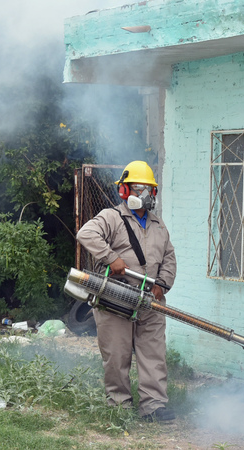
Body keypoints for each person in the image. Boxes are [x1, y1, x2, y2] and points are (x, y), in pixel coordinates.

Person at [76, 160, 177, 422]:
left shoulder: (158, 225)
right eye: (136, 188)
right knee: (116, 354)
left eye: (147, 189)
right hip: (115, 298)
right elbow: (86, 234)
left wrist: (161, 284)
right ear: (124, 191)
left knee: (153, 353)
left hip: (150, 301)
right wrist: (110, 257)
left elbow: (169, 258)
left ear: (153, 193)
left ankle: (153, 406)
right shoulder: (111, 217)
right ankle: (118, 405)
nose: (142, 194)